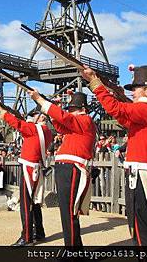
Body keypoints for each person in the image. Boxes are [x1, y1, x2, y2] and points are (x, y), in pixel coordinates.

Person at [82, 64, 147, 249]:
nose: (133, 93)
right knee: (138, 229)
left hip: (141, 175)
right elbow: (124, 119)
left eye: (136, 88)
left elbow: (116, 110)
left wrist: (95, 83)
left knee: (142, 231)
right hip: (141, 174)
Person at [29, 89, 96, 247]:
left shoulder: (85, 120)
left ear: (83, 110)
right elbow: (60, 125)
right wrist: (54, 108)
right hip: (67, 167)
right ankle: (75, 250)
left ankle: (72, 252)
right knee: (67, 212)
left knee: (69, 213)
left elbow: (64, 118)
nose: (70, 112)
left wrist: (41, 100)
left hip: (72, 168)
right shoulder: (78, 123)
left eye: (73, 109)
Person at [0, 103, 53, 246]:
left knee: (26, 204)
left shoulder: (33, 129)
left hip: (29, 168)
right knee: (35, 202)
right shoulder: (47, 132)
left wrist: (2, 110)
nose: (31, 118)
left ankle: (26, 237)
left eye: (33, 116)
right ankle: (39, 232)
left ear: (39, 117)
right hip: (36, 167)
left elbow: (17, 123)